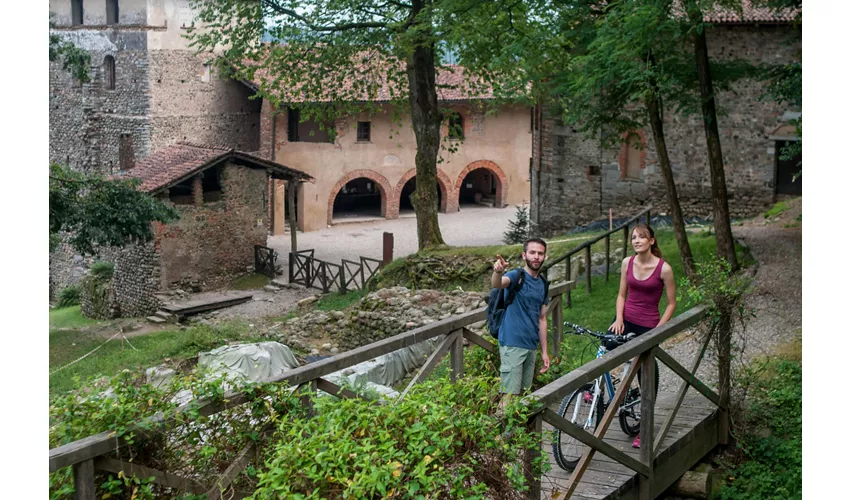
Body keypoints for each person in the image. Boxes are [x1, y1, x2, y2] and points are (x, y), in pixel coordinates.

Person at [608, 223, 676, 448]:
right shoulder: (627, 263)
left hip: (648, 327)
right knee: (601, 346)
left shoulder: (663, 269)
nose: (637, 241)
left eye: (642, 237)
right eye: (634, 238)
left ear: (652, 241)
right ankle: (595, 391)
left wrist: (659, 330)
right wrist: (618, 318)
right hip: (625, 321)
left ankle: (644, 429)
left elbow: (672, 303)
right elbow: (620, 295)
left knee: (648, 377)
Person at [491, 238, 551, 412]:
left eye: (540, 253)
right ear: (524, 255)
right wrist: (498, 272)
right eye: (532, 252)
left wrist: (544, 352)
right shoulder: (515, 276)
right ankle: (499, 436)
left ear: (544, 256)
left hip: (530, 345)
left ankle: (513, 437)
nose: (536, 257)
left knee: (524, 396)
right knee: (509, 396)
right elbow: (497, 284)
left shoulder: (543, 284)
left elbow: (542, 318)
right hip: (512, 342)